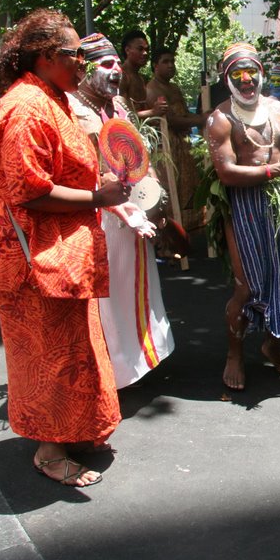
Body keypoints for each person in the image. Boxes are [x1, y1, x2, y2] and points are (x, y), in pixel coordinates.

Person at [0, 9, 130, 487]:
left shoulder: (52, 98)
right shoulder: (26, 108)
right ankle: (49, 451)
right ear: (46, 58)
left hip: (62, 255)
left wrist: (98, 183)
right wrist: (98, 196)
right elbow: (29, 190)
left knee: (76, 349)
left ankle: (76, 430)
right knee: (48, 356)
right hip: (34, 263)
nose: (83, 65)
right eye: (75, 56)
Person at [206, 42, 280, 390]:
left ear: (260, 73)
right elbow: (226, 173)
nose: (245, 81)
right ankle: (234, 353)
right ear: (226, 79)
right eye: (237, 74)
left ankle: (274, 344)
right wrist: (278, 171)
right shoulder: (220, 119)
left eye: (251, 72)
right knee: (247, 286)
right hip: (244, 208)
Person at [67, 33, 175, 389]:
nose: (115, 71)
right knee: (109, 298)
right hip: (101, 218)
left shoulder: (121, 107)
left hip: (134, 217)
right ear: (85, 68)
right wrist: (123, 209)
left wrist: (155, 198)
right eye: (107, 64)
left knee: (136, 290)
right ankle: (112, 375)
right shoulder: (71, 109)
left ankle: (139, 363)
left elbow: (140, 157)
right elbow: (84, 172)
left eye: (117, 63)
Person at [145, 46, 208, 229]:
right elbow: (172, 121)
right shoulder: (152, 89)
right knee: (171, 195)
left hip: (183, 147)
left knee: (186, 192)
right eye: (165, 62)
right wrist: (202, 119)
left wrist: (202, 118)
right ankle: (170, 241)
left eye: (172, 61)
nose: (171, 65)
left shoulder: (174, 87)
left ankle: (187, 236)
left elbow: (185, 114)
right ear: (155, 66)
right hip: (166, 149)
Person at [119, 29, 166, 120]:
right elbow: (122, 115)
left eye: (147, 49)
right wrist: (153, 112)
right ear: (127, 50)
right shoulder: (122, 76)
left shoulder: (141, 78)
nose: (145, 53)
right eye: (140, 49)